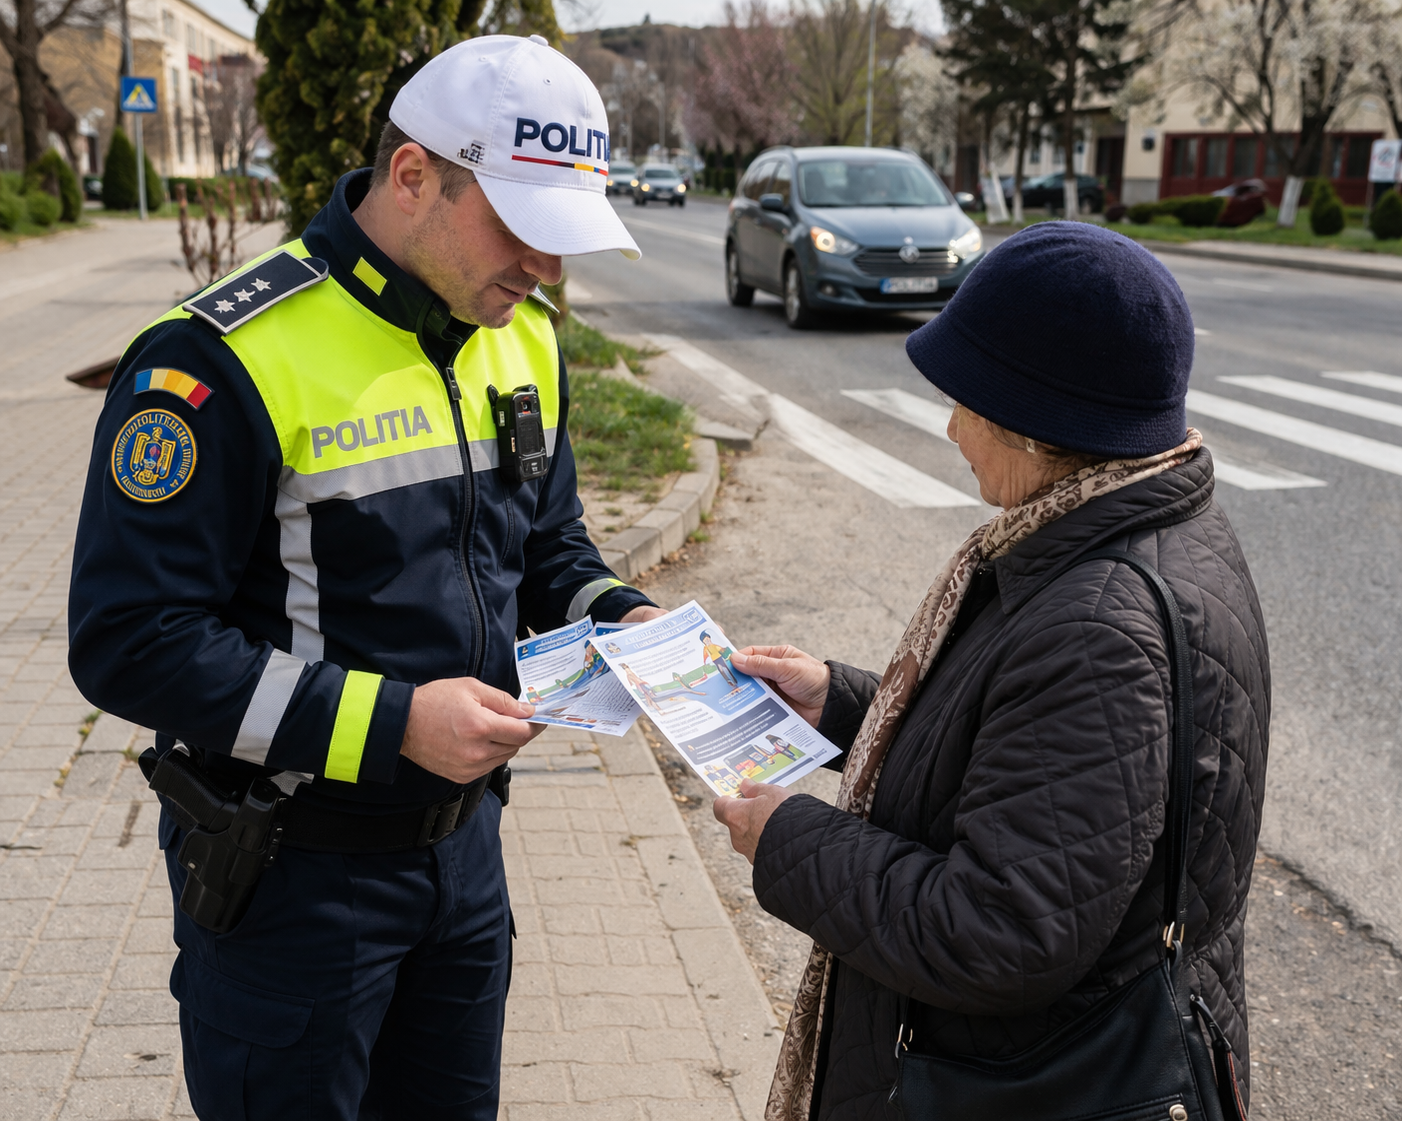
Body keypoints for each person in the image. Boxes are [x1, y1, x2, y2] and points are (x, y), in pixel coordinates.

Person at [68, 35, 667, 1121]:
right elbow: (131, 639)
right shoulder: (218, 358)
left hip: (464, 859)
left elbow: (549, 550)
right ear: (412, 175)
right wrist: (394, 724)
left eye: (564, 237)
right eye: (523, 228)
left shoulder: (523, 338)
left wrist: (626, 616)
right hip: (292, 877)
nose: (546, 269)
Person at [713, 222, 1270, 1120]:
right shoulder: (1144, 522)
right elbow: (1025, 760)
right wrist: (844, 706)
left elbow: (999, 930)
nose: (950, 426)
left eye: (967, 401)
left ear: (1038, 428)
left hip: (1025, 1084)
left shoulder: (1097, 623)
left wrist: (789, 841)